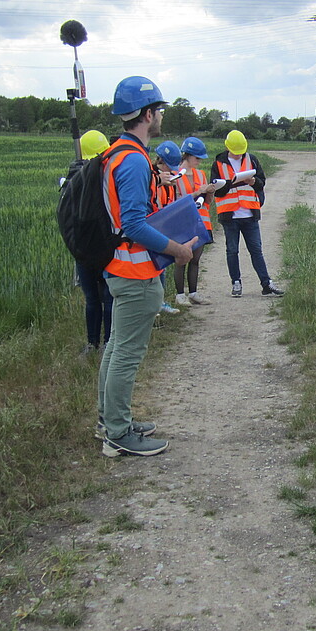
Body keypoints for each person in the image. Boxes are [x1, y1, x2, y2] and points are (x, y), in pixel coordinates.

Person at [96, 76, 199, 457]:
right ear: (147, 114)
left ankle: (109, 420)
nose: (160, 117)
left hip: (119, 266)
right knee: (126, 352)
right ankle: (118, 434)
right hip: (135, 272)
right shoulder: (135, 160)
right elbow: (134, 225)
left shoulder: (115, 152)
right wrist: (177, 250)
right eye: (158, 110)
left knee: (114, 347)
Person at [211, 129, 283, 298]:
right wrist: (229, 184)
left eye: (240, 152)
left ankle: (266, 284)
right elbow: (216, 190)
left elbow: (261, 183)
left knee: (256, 250)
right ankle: (236, 283)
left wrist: (253, 181)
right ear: (228, 148)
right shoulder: (218, 164)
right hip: (229, 215)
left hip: (249, 214)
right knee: (232, 251)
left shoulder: (252, 160)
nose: (238, 155)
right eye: (236, 153)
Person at [67, 129, 114, 353]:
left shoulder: (103, 177)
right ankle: (99, 343)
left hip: (86, 250)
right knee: (103, 298)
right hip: (97, 249)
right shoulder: (75, 178)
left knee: (97, 299)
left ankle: (99, 343)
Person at [173, 137, 216, 307]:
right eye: (197, 158)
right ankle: (179, 294)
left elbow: (207, 203)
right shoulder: (176, 174)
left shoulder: (200, 174)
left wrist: (210, 192)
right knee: (181, 258)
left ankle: (193, 292)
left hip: (201, 222)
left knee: (196, 259)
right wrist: (198, 191)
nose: (199, 161)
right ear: (187, 156)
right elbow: (176, 202)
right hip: (182, 222)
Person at [153, 140, 183, 315]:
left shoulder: (170, 179)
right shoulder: (150, 176)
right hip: (152, 227)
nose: (170, 171)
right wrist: (158, 182)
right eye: (168, 166)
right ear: (160, 161)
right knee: (154, 269)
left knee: (161, 267)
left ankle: (160, 302)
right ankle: (154, 305)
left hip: (164, 227)